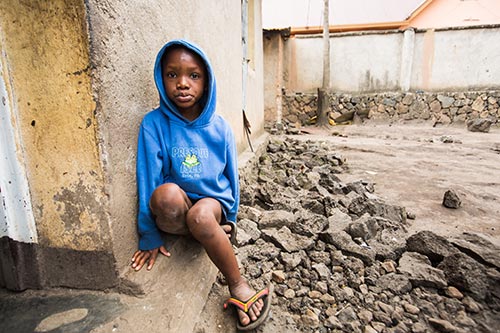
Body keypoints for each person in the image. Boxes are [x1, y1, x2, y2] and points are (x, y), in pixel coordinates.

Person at [130, 39, 272, 330]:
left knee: (202, 216)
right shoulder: (154, 124)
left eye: (193, 76)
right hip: (176, 209)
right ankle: (207, 234)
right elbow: (148, 180)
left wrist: (230, 218)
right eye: (172, 75)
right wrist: (149, 234)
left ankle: (238, 284)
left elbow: (232, 177)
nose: (183, 84)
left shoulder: (219, 127)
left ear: (206, 82)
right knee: (166, 196)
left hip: (211, 205)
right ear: (161, 78)